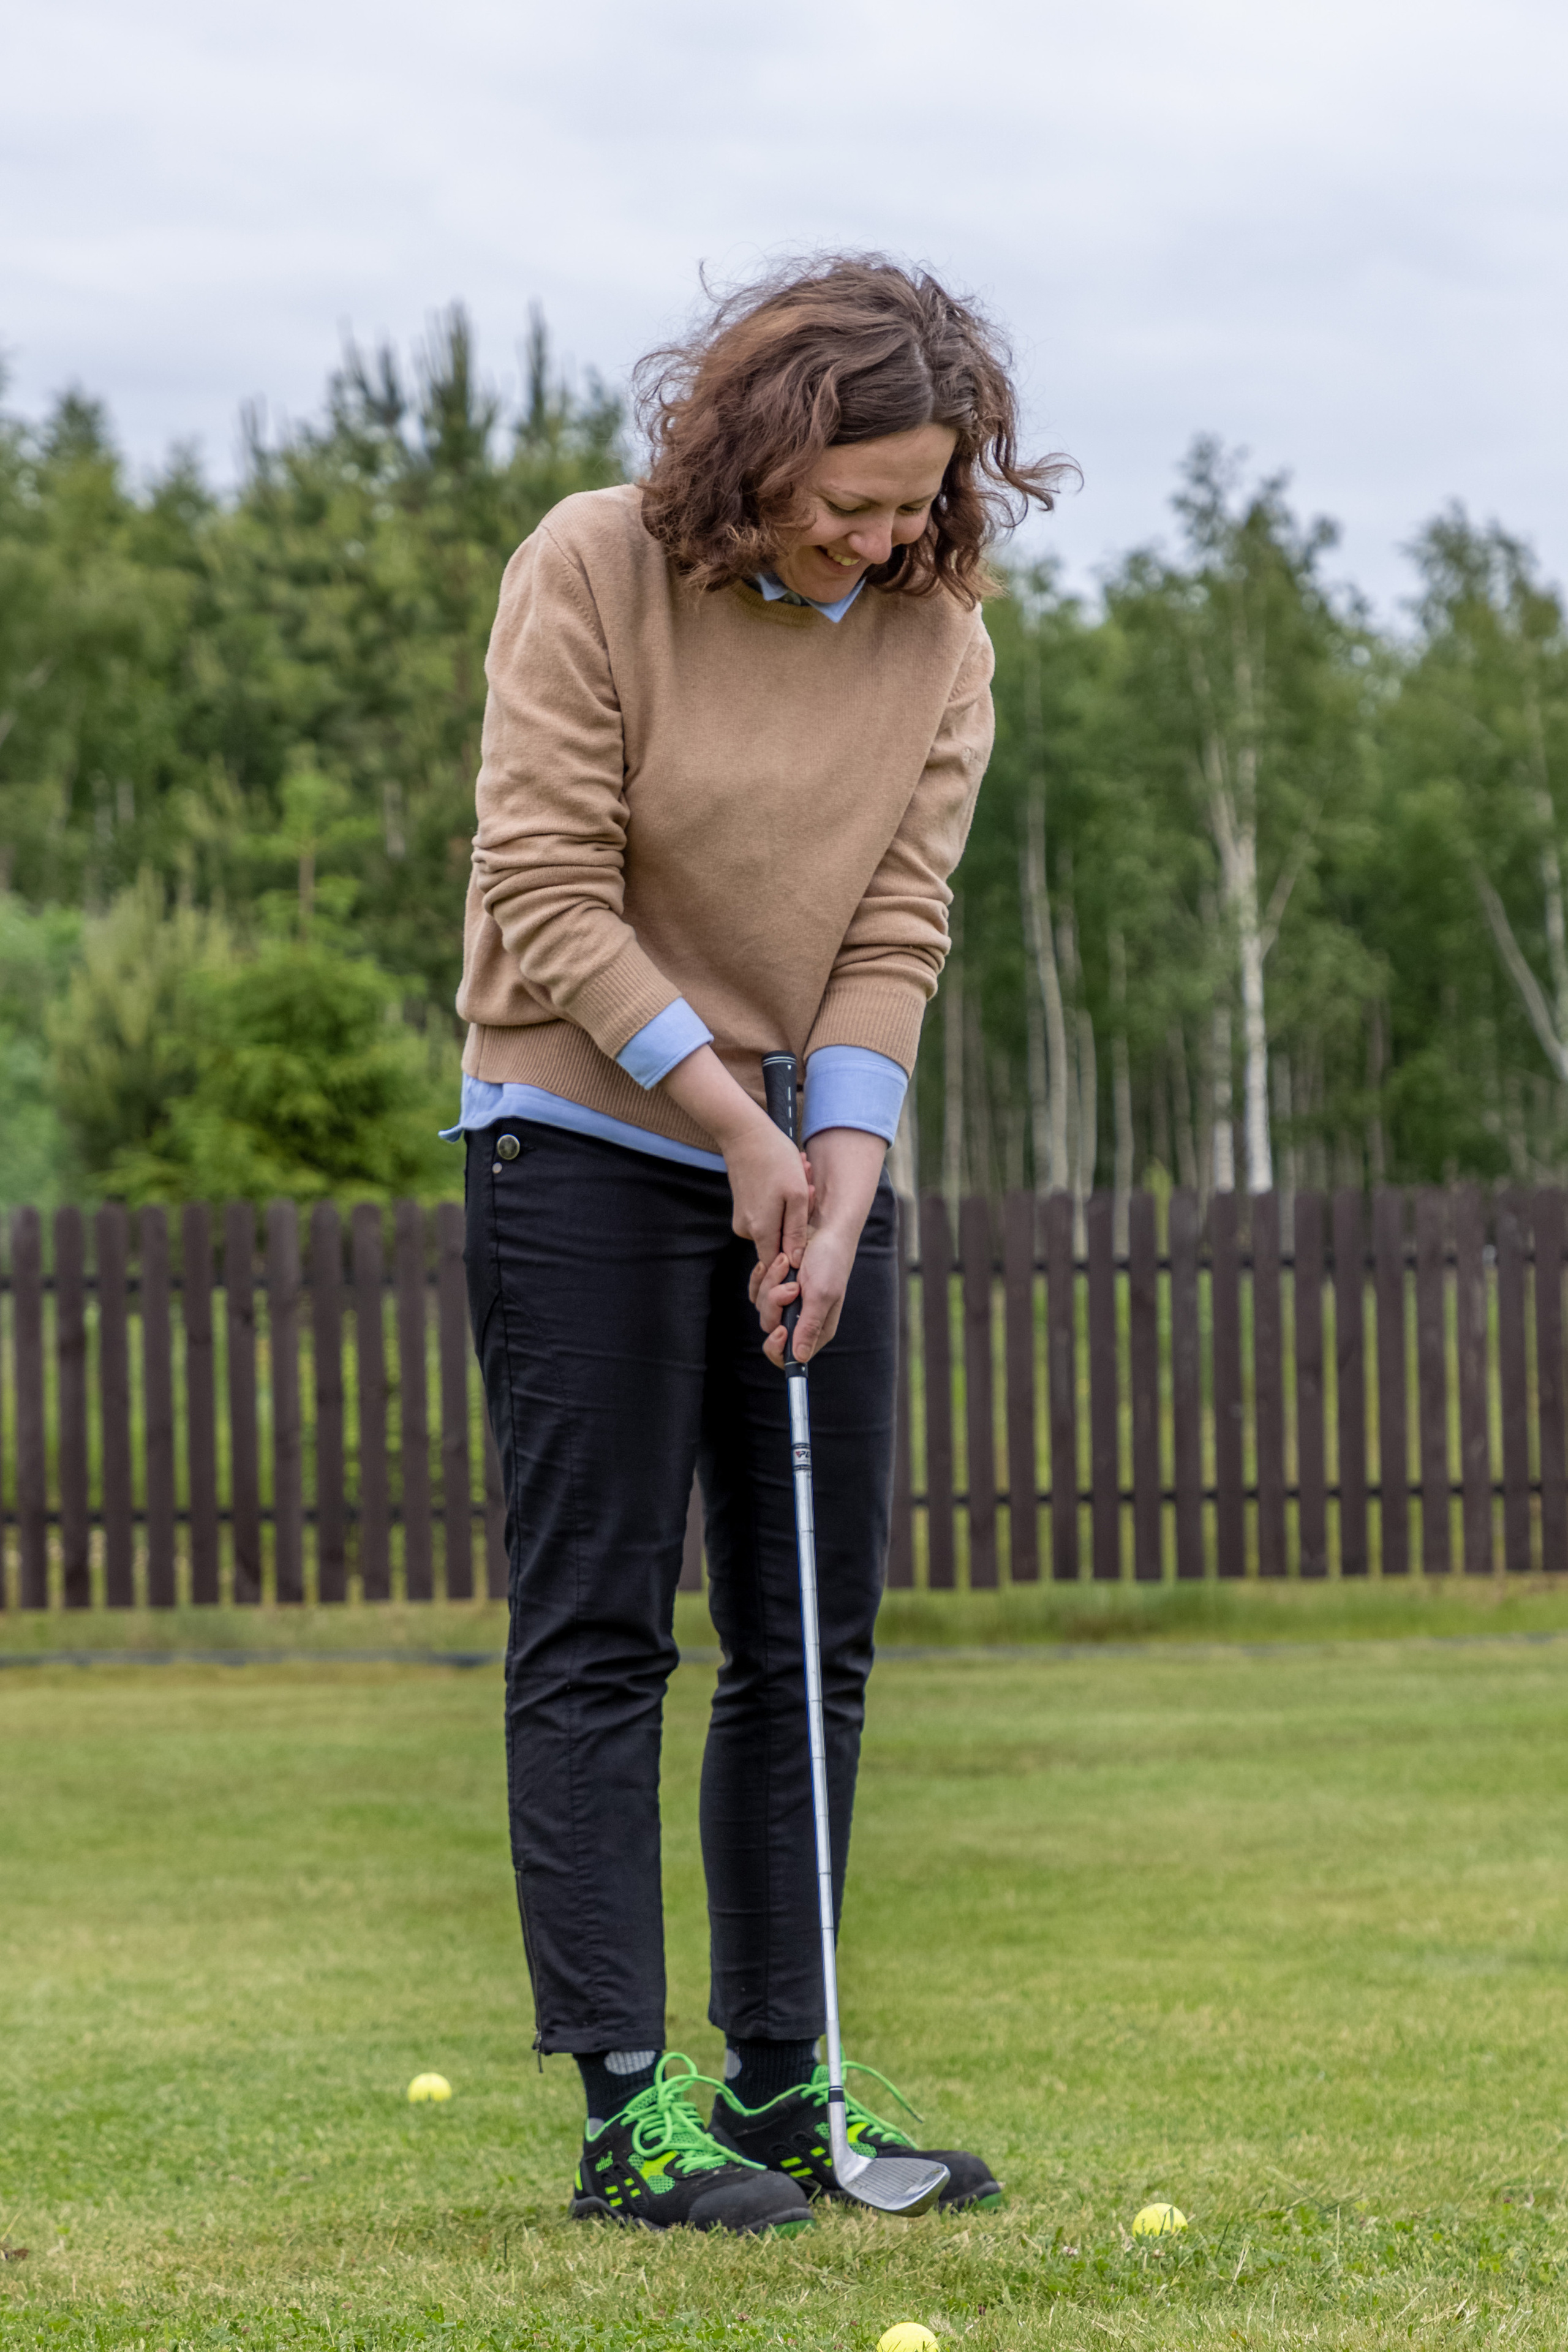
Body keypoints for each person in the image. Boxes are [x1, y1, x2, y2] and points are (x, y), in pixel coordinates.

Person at [451, 255, 1069, 2234]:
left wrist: (844, 1162)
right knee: (604, 1626)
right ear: (761, 446)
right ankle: (630, 2112)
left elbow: (898, 919)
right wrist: (731, 1123)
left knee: (811, 1634)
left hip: (805, 1148)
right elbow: (540, 883)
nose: (887, 536)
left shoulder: (940, 632)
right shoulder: (593, 567)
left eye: (920, 501)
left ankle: (787, 2079)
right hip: (583, 1130)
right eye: (855, 501)